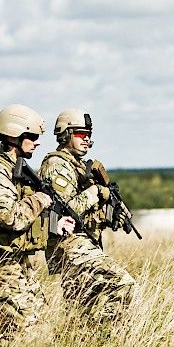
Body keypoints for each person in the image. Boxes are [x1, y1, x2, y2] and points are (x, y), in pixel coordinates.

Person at [0, 104, 74, 337]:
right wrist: (41, 199)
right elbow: (8, 217)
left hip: (16, 260)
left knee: (39, 327)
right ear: (16, 135)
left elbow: (24, 218)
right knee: (26, 331)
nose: (38, 142)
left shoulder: (14, 170)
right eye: (34, 136)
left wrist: (53, 225)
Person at [39, 109, 136, 321]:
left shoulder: (78, 166)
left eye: (89, 134)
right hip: (69, 244)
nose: (87, 139)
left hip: (83, 243)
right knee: (122, 283)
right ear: (66, 134)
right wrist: (95, 192)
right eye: (81, 134)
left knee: (81, 308)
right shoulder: (57, 164)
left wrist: (107, 216)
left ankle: (85, 343)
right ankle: (105, 335)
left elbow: (84, 217)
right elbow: (67, 210)